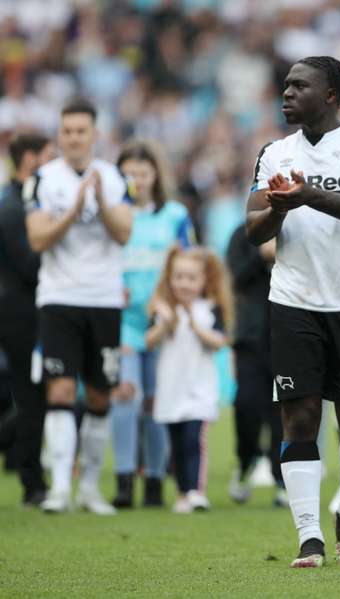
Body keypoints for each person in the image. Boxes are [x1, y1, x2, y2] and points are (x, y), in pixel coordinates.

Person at [245, 56, 340, 568]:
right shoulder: (273, 153)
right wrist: (279, 209)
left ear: (331, 94)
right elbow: (253, 229)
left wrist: (307, 194)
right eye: (285, 85)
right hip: (293, 303)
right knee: (300, 418)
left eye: (298, 85)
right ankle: (309, 537)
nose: (286, 93)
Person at [25, 98, 132, 515]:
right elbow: (38, 240)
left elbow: (124, 233)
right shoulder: (42, 179)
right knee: (61, 389)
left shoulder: (115, 176)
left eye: (81, 131)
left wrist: (100, 202)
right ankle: (59, 489)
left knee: (101, 395)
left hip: (103, 298)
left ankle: (88, 486)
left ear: (94, 134)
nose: (73, 138)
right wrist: (73, 209)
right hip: (59, 298)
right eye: (67, 131)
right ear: (59, 134)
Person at [110, 140, 194, 509]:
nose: (137, 180)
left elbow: (189, 263)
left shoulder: (174, 215)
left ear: (155, 176)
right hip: (122, 322)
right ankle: (125, 479)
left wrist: (174, 306)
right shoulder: (112, 215)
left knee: (157, 403)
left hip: (163, 322)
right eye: (129, 173)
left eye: (143, 173)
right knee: (125, 396)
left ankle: (157, 479)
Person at [146, 246, 231, 513]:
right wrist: (167, 323)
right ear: (170, 279)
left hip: (199, 391)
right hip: (171, 389)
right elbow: (149, 341)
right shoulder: (163, 311)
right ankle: (182, 492)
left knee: (194, 439)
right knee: (176, 444)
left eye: (191, 278)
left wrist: (195, 325)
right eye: (179, 277)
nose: (184, 283)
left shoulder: (210, 309)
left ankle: (196, 490)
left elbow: (219, 341)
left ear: (204, 280)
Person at [0, 132, 53, 507]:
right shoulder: (14, 207)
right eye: (48, 157)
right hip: (20, 314)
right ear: (30, 160)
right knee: (32, 396)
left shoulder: (26, 201)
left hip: (29, 312)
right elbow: (29, 264)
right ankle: (32, 481)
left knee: (38, 397)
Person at [225, 226, 286, 507]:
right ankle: (245, 461)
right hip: (250, 337)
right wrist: (261, 256)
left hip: (288, 336)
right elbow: (234, 278)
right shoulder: (243, 235)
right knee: (246, 404)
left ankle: (282, 479)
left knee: (284, 411)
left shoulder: (298, 229)